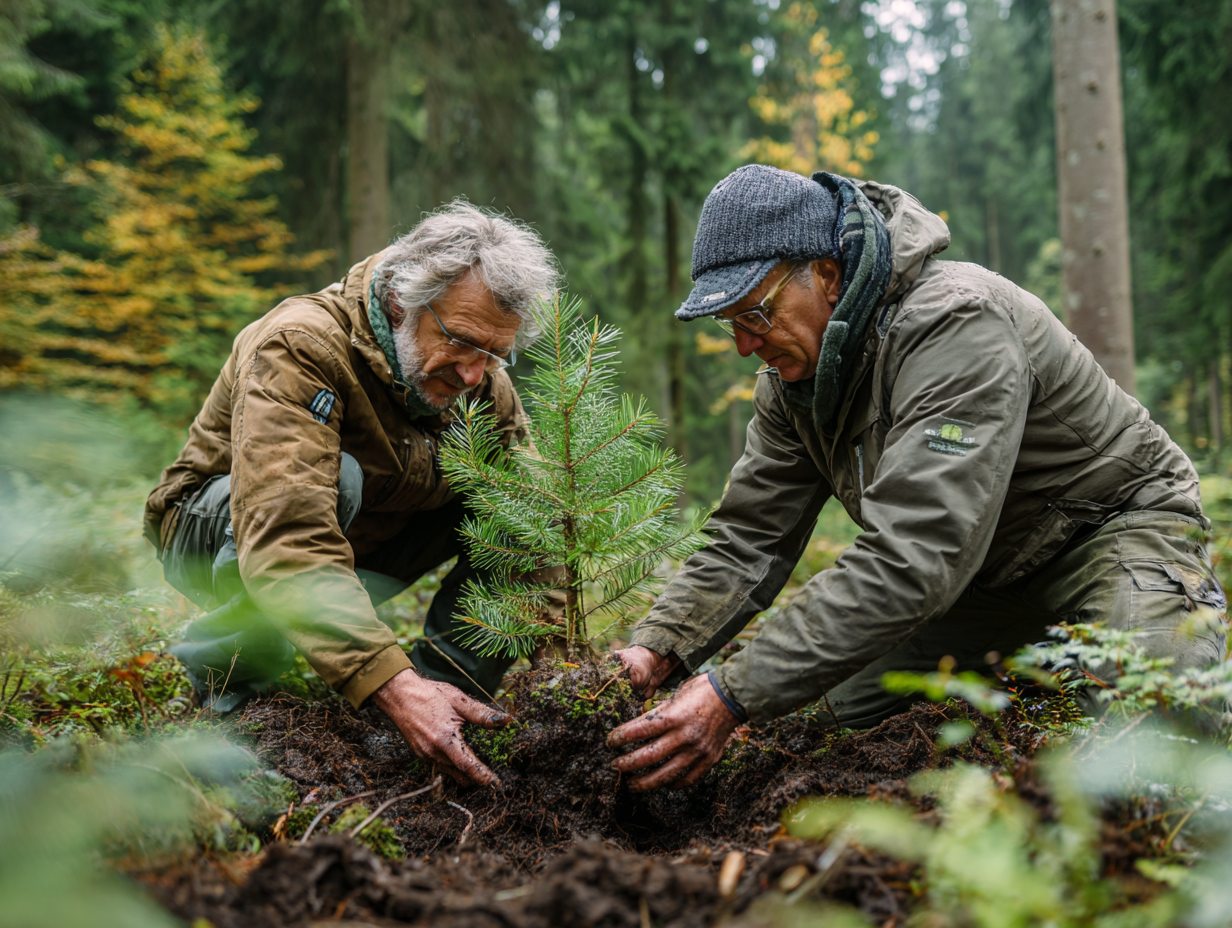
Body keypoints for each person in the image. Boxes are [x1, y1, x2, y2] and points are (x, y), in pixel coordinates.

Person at [607, 165, 1227, 791]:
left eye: (757, 314)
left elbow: (916, 553)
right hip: (980, 584)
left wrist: (728, 692)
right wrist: (657, 647)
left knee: (1151, 737)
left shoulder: (955, 323)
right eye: (730, 323)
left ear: (826, 274)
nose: (745, 345)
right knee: (803, 721)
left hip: (1107, 534)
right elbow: (748, 538)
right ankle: (1031, 682)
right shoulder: (794, 381)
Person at [144, 201, 559, 785]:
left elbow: (540, 529)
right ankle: (233, 681)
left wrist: (560, 668)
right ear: (401, 301)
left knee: (522, 506)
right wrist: (383, 679)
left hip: (360, 541)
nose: (473, 374)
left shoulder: (481, 383)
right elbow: (288, 535)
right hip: (215, 531)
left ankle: (445, 698)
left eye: (494, 353)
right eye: (462, 342)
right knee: (339, 479)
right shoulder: (300, 345)